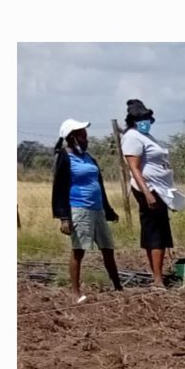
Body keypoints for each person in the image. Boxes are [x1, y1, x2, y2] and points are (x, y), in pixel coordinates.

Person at [52, 118, 122, 304]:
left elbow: (99, 185)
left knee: (108, 249)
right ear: (72, 137)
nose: (86, 139)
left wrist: (108, 210)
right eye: (82, 136)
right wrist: (64, 217)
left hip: (97, 209)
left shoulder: (89, 158)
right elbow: (58, 188)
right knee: (79, 250)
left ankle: (118, 286)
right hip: (79, 208)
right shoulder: (65, 157)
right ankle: (75, 292)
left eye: (86, 135)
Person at [120, 99, 183, 289]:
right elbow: (134, 168)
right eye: (141, 118)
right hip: (149, 190)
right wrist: (147, 193)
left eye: (147, 118)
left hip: (160, 190)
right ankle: (157, 279)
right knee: (156, 235)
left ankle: (158, 275)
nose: (145, 121)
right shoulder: (132, 137)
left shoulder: (146, 136)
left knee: (159, 233)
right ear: (133, 120)